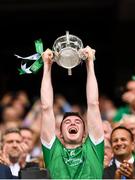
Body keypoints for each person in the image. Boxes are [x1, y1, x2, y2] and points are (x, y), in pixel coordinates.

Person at [40, 46, 104, 179]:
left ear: (85, 133)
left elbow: (93, 104)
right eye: (67, 122)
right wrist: (47, 66)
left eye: (78, 122)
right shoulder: (53, 151)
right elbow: (46, 107)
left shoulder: (94, 149)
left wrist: (90, 63)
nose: (72, 123)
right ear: (60, 134)